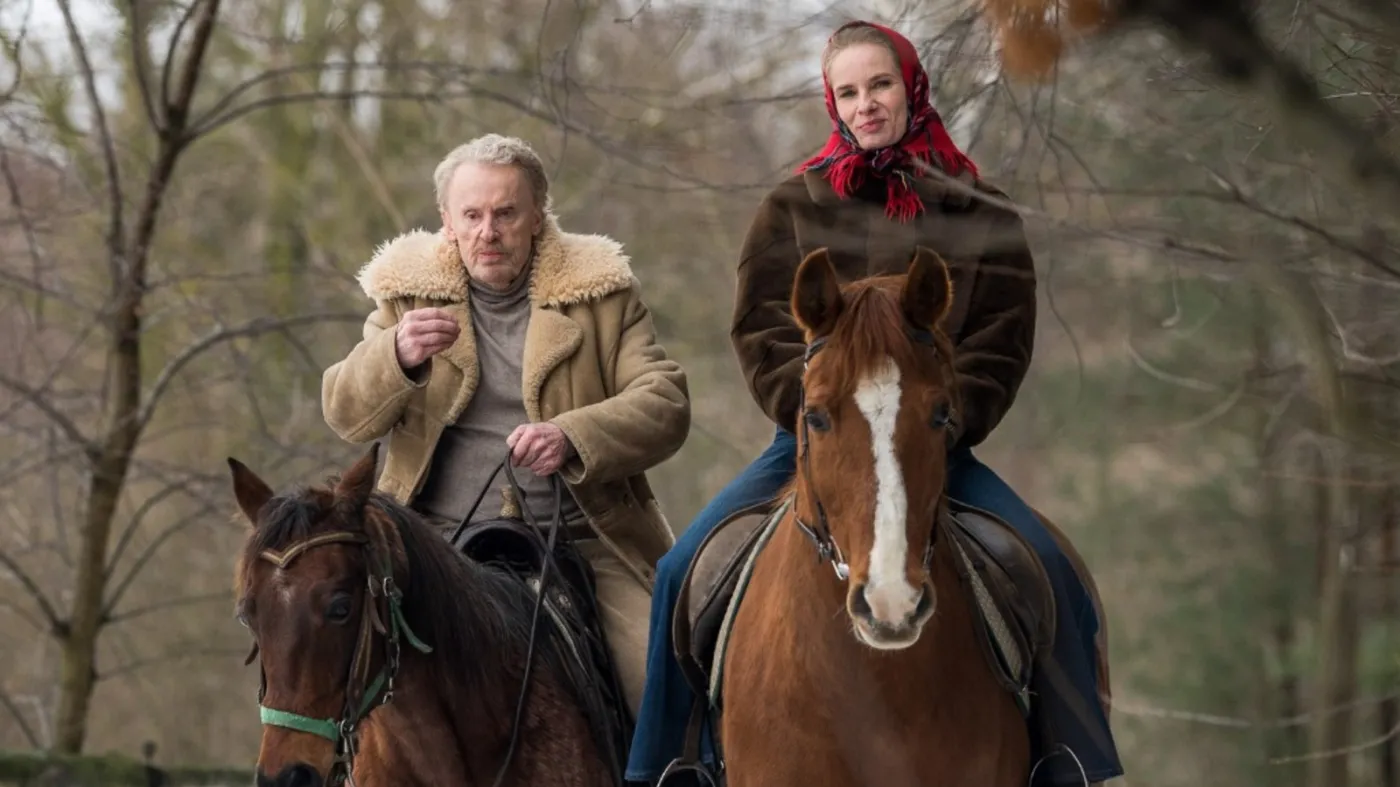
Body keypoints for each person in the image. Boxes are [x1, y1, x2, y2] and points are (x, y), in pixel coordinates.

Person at [624, 20, 1125, 787]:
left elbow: (1002, 335)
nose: (867, 104)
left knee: (1049, 565)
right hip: (817, 440)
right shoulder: (789, 206)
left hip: (932, 442)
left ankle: (1070, 764)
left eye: (880, 86)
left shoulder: (978, 208)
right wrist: (825, 412)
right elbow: (758, 326)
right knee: (682, 568)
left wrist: (945, 421)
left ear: (911, 87)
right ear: (833, 101)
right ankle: (669, 765)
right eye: (850, 92)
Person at [320, 133, 691, 719]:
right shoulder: (407, 296)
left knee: (659, 684)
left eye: (505, 214)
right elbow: (344, 413)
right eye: (471, 215)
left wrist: (574, 435)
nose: (487, 232)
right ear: (447, 221)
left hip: (578, 540)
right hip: (430, 544)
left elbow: (665, 402)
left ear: (538, 218)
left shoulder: (602, 294)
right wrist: (394, 356)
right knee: (330, 674)